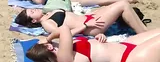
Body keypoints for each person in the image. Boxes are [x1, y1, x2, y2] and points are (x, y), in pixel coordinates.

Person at [15, 0, 147, 37]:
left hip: (89, 17)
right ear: (33, 20)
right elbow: (63, 35)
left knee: (118, 4)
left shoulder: (47, 14)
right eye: (32, 12)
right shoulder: (46, 23)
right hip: (90, 27)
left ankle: (145, 32)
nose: (35, 9)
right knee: (123, 5)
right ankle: (146, 34)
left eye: (32, 9)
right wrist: (85, 26)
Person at [26, 25, 160, 62]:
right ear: (48, 47)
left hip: (125, 45)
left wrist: (98, 38)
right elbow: (64, 29)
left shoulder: (65, 49)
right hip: (130, 58)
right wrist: (48, 38)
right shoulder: (63, 58)